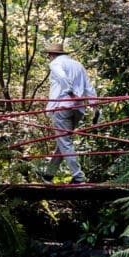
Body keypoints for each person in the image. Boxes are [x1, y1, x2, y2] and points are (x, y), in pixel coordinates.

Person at [41, 43, 97, 184]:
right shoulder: (78, 65)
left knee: (64, 142)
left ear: (52, 54)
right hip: (78, 108)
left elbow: (63, 78)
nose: (48, 57)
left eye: (49, 54)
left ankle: (78, 177)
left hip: (62, 106)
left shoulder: (55, 64)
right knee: (63, 141)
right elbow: (88, 87)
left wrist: (70, 92)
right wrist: (95, 106)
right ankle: (49, 175)